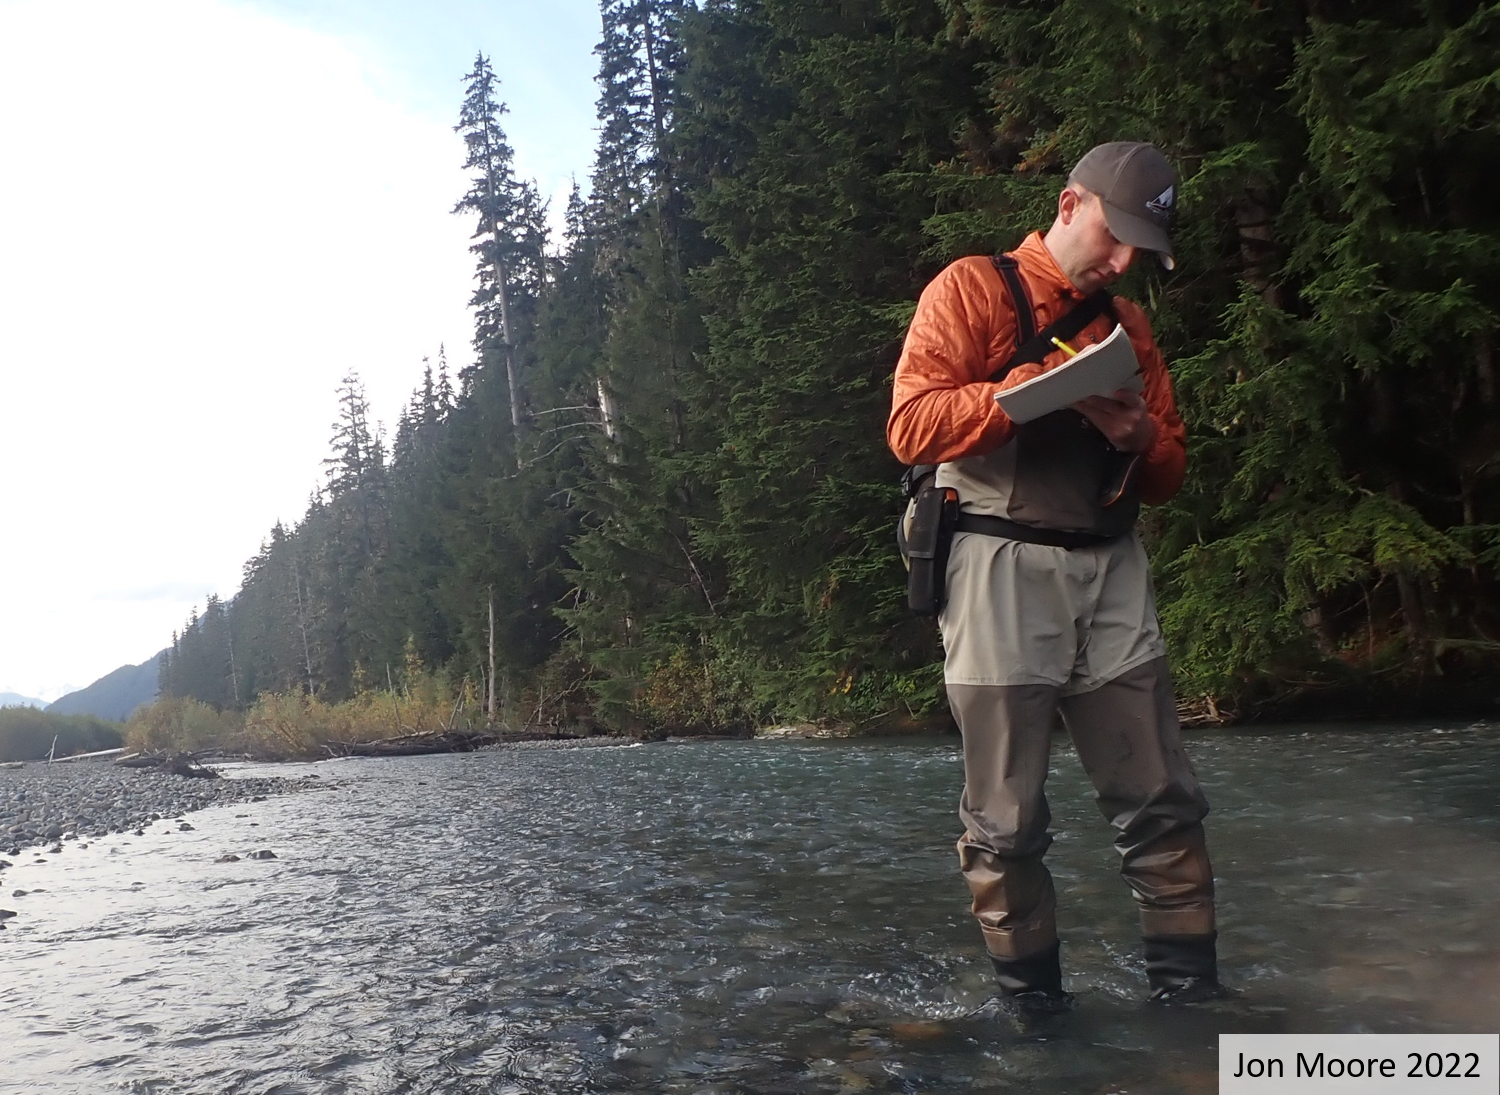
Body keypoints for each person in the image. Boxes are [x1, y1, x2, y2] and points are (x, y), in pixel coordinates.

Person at [887, 142, 1222, 1008]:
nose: (1123, 263)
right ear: (1070, 205)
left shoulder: (1129, 327)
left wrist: (1143, 441)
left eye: (1140, 251)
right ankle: (1034, 1018)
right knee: (1006, 823)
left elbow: (1170, 473)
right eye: (1115, 237)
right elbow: (911, 427)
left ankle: (1191, 1001)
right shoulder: (970, 288)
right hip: (997, 568)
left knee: (1162, 797)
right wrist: (1029, 388)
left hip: (1112, 570)